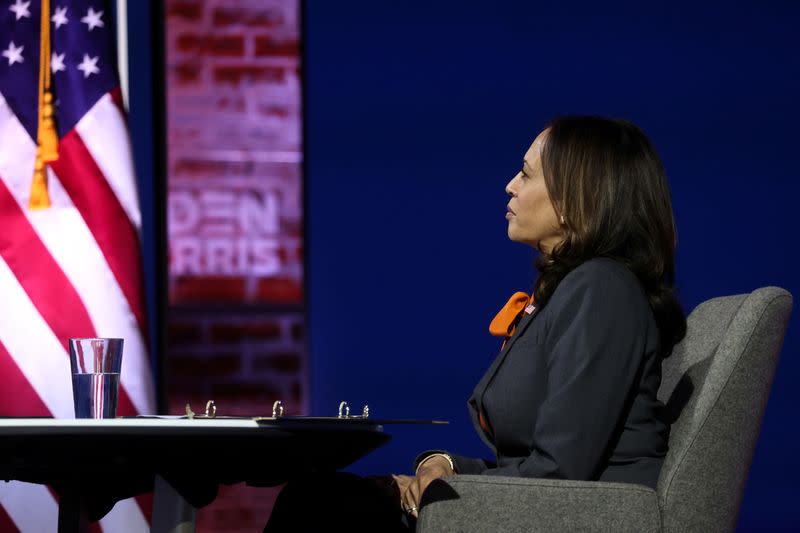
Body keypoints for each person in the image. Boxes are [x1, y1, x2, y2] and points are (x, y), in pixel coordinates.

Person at [264, 116, 686, 531]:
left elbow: (560, 476)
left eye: (526, 174)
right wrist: (443, 468)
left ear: (580, 198)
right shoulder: (577, 291)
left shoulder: (603, 290)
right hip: (542, 506)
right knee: (322, 496)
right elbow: (537, 467)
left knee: (318, 506)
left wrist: (435, 496)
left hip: (585, 519)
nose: (511, 186)